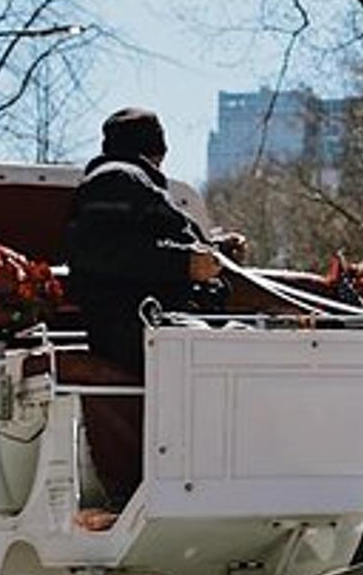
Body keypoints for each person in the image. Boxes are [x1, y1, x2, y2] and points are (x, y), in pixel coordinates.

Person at [63, 108, 246, 529]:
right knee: (225, 351)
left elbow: (136, 243)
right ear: (157, 149)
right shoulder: (116, 179)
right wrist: (184, 265)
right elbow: (101, 251)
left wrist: (212, 250)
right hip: (136, 329)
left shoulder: (128, 182)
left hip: (153, 326)